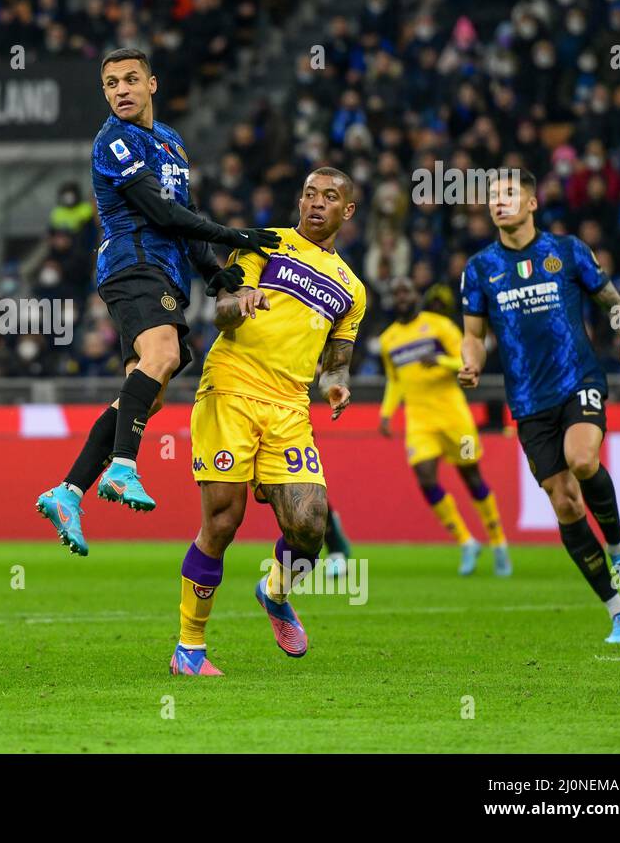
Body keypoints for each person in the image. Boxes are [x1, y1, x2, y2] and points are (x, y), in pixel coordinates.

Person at [35, 47, 279, 556]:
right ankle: (123, 468)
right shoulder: (113, 142)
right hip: (133, 264)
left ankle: (69, 490)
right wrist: (235, 233)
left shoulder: (170, 141)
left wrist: (215, 272)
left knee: (147, 389)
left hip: (164, 273)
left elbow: (184, 215)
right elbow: (162, 213)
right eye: (110, 84)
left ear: (152, 85)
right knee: (163, 355)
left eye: (129, 80)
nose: (120, 90)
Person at [172, 167, 365, 674]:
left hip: (290, 407)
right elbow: (222, 311)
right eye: (308, 194)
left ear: (347, 211)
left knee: (309, 527)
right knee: (223, 521)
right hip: (231, 388)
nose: (315, 203)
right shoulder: (265, 243)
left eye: (328, 197)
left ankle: (275, 592)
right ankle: (189, 648)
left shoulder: (352, 289)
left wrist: (336, 384)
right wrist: (240, 304)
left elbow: (338, 359)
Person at [460, 169, 620, 644]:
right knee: (565, 504)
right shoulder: (480, 268)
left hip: (577, 380)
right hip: (527, 401)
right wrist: (471, 364)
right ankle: (617, 612)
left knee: (583, 459)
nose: (498, 203)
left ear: (530, 204)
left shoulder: (565, 252)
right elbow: (473, 337)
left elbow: (613, 302)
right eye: (493, 198)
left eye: (508, 195)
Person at [379, 277, 511, 576]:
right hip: (420, 422)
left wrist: (440, 360)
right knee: (425, 479)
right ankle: (466, 542)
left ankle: (498, 542)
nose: (401, 296)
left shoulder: (439, 326)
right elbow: (395, 380)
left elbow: (467, 361)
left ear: (416, 295)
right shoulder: (388, 339)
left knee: (471, 477)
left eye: (406, 290)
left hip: (454, 418)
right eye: (396, 292)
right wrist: (387, 413)